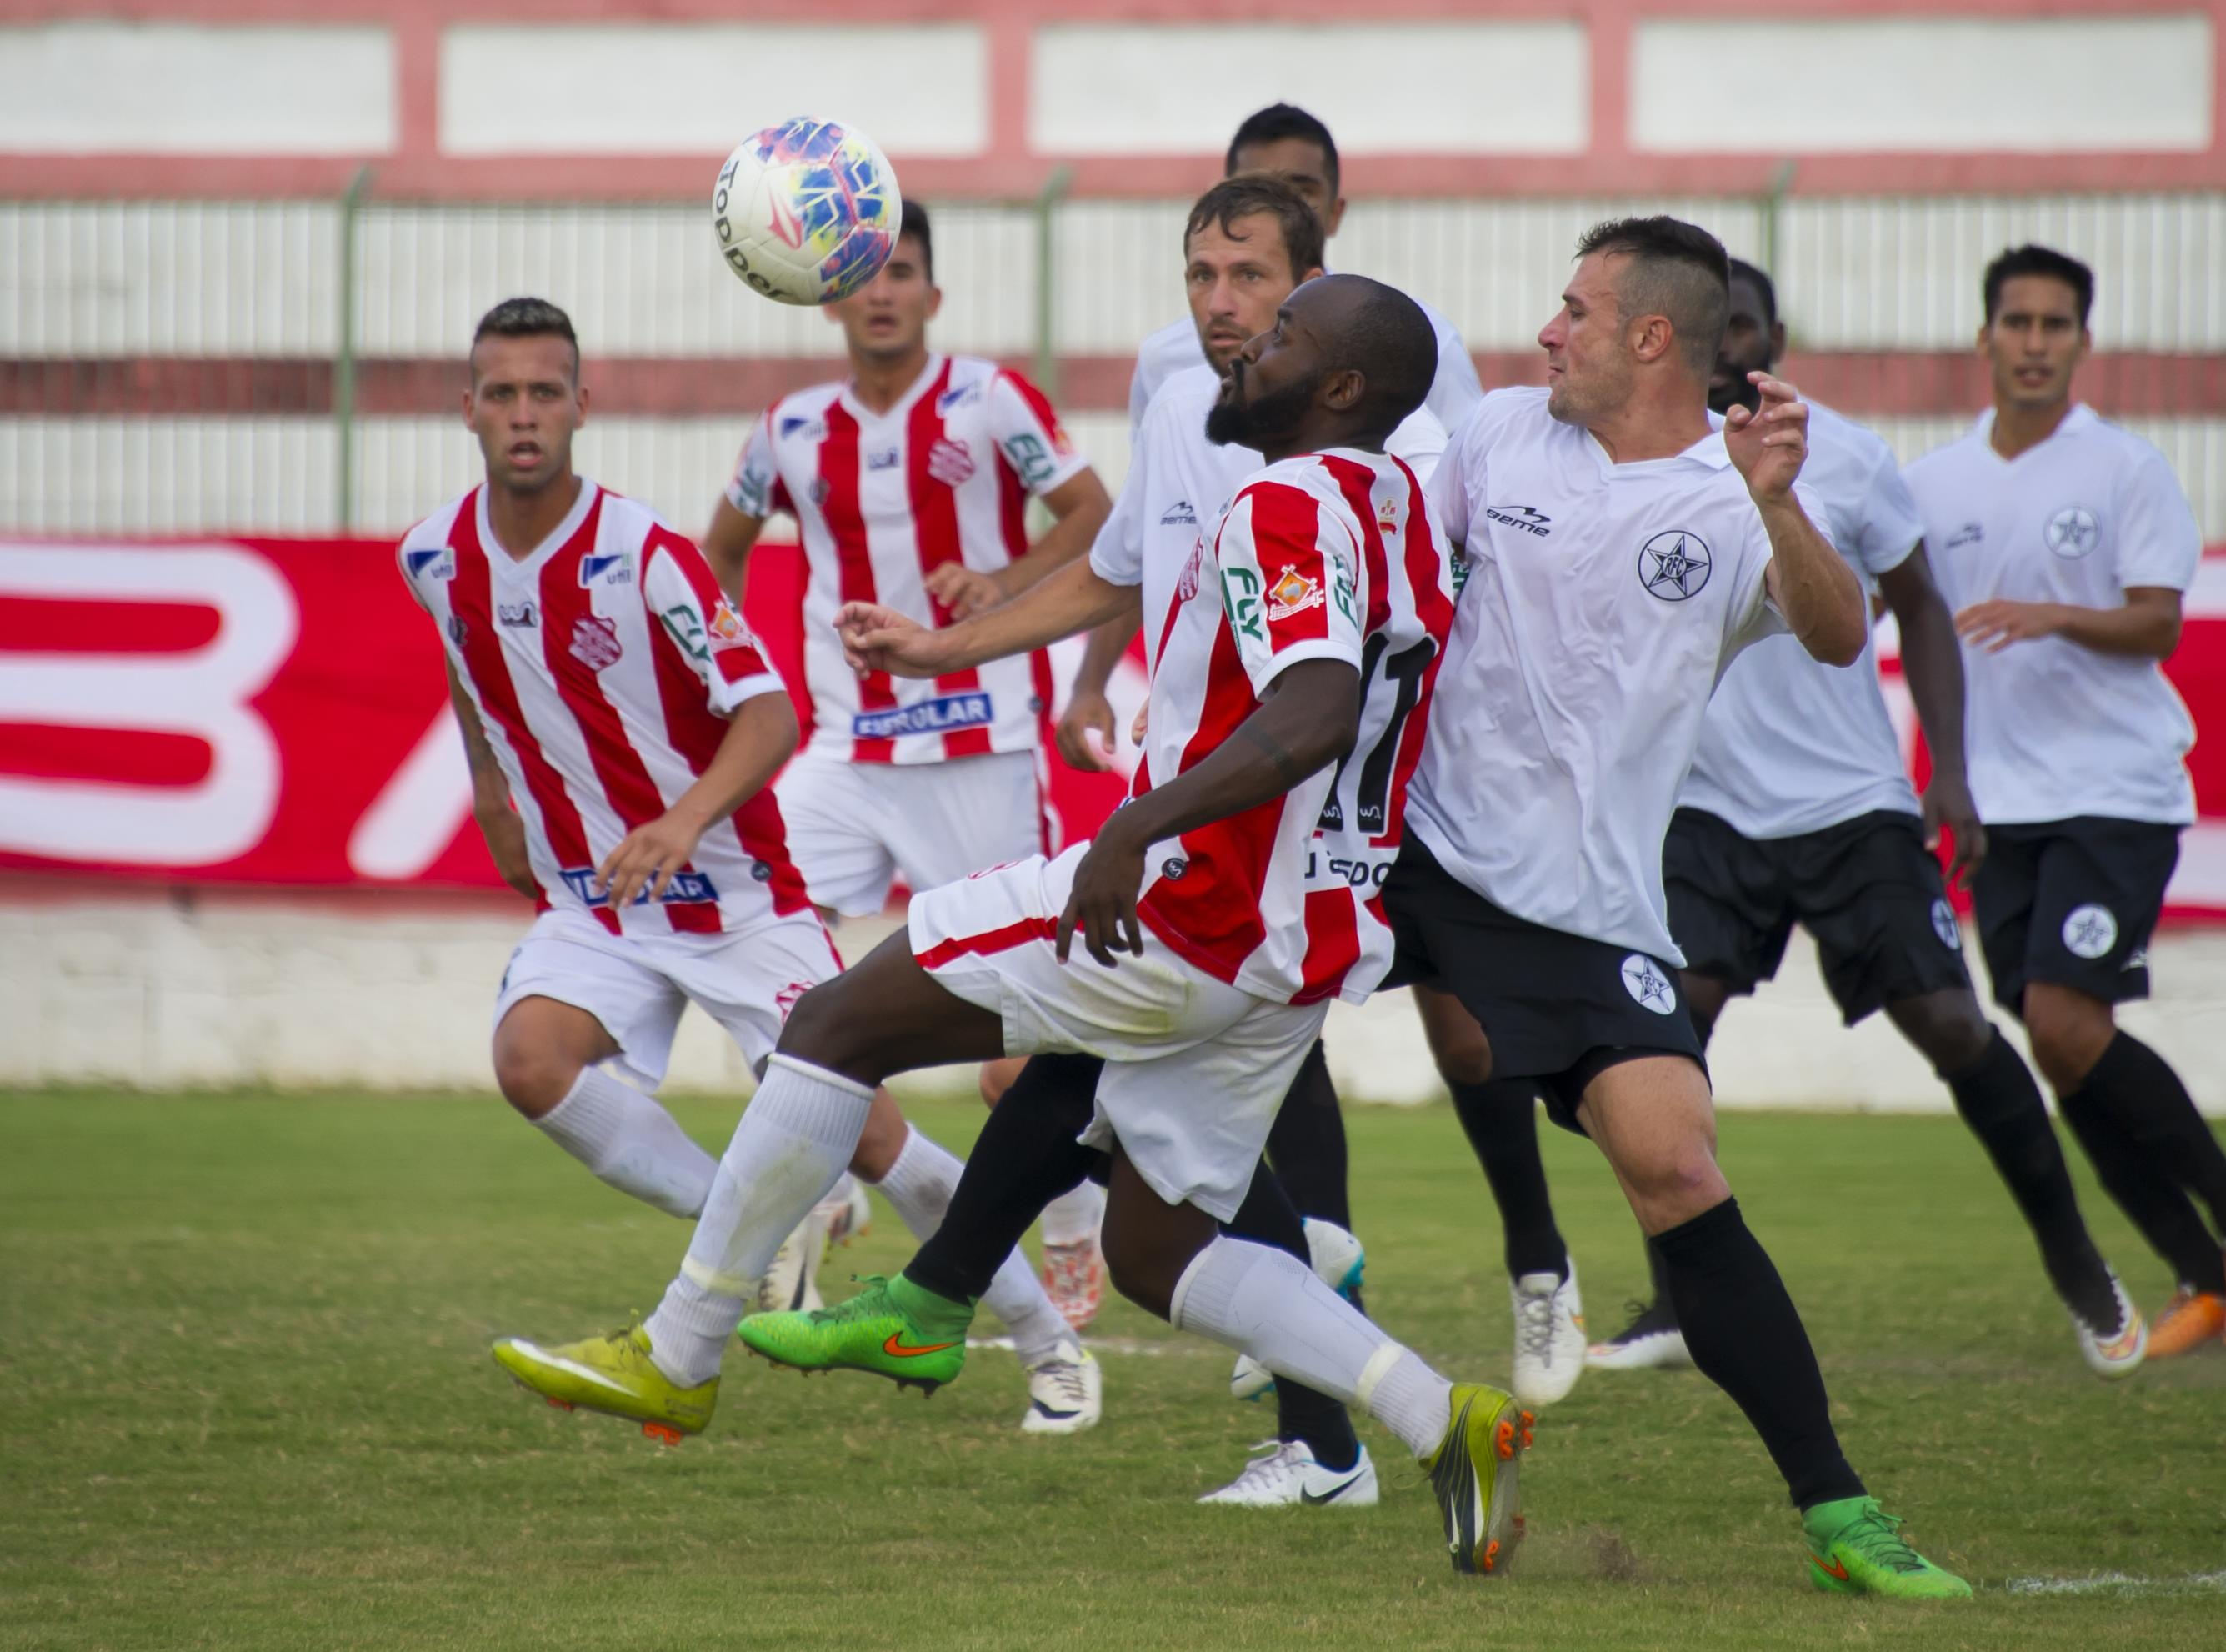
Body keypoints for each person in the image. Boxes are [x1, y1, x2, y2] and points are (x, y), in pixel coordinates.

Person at [495, 274, 1541, 1579]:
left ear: (1336, 388)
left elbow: (1316, 705)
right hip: (1297, 940)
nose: (1244, 336)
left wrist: (1132, 824)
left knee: (832, 1024)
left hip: (1189, 907)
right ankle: (1444, 1417)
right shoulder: (1393, 503)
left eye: (1282, 333)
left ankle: (679, 1350)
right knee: (1156, 1247)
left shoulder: (1284, 501)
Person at [1383, 218, 1970, 1598]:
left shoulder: (1732, 492)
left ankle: (1837, 1511)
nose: (1546, 332)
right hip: (1410, 850)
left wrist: (1774, 502)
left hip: (1581, 905)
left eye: (1573, 311)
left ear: (1650, 338)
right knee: (1196, 1008)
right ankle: (959, 1268)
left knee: (1675, 1164)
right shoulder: (1495, 441)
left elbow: (1836, 631)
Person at [1519, 256, 2145, 1379]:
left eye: (1753, 332)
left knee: (1950, 1027)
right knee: (1655, 1045)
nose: (1738, 356)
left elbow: (1916, 608)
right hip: (1703, 811)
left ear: (1772, 335)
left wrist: (1945, 770)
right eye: (1722, 338)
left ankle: (2078, 1267)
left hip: (1847, 807)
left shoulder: (1843, 457)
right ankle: (1671, 1300)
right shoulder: (1631, 458)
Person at [398, 295, 860, 1408]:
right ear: (467, 411)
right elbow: (470, 676)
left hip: (735, 889)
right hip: (606, 898)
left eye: (543, 393)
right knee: (530, 1061)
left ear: (581, 407)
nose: (522, 414)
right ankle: (749, 1237)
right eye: (500, 394)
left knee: (875, 1130)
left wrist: (685, 817)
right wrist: (493, 796)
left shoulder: (646, 552)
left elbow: (768, 715)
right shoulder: (430, 556)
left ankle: (1048, 1343)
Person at [699, 200, 1118, 1405]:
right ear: (827, 295)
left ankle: (1073, 1212)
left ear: (934, 296)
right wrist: (742, 667)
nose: (884, 294)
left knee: (1024, 1047)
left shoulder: (990, 401)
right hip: (840, 746)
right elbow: (712, 554)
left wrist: (997, 581)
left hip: (980, 741)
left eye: (907, 275)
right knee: (762, 945)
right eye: (865, 278)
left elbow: (1095, 522)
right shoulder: (785, 429)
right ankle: (820, 1184)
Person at [1059, 107, 1479, 1306]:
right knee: (1141, 1131)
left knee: (1480, 1049)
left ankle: (1524, 1255)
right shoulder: (1175, 400)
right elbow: (1125, 566)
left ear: (1318, 271)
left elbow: (1319, 702)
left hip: (1306, 840)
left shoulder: (1385, 439)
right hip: (1226, 834)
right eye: (1201, 270)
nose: (1222, 300)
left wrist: (1135, 824)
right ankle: (1353, 1405)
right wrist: (980, 650)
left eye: (1255, 280)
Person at [1905, 243, 2226, 1359]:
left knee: (2066, 1023)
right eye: (2015, 322)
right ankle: (2200, 1274)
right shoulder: (1933, 485)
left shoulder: (2123, 471)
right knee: (2053, 1042)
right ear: (1982, 336)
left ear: (2081, 342)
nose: (2032, 343)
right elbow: (1902, 614)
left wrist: (2050, 614)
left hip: (2110, 790)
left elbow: (2157, 621)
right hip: (1997, 805)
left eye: (2053, 325)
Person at [1123, 103, 1483, 435]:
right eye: (1253, 189)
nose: (1278, 202)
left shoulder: (1419, 341)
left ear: (1334, 212)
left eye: (1301, 189)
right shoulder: (1164, 360)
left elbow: (1464, 478)